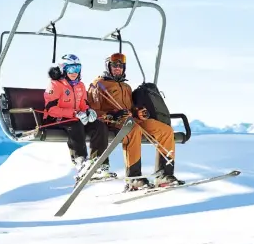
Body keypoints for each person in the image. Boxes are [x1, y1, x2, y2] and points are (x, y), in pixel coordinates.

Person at [87, 52, 184, 191]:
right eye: (114, 65)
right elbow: (93, 112)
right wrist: (112, 114)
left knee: (165, 130)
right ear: (108, 66)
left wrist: (138, 112)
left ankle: (164, 175)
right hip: (114, 121)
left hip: (130, 119)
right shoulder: (98, 85)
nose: (117, 68)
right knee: (133, 130)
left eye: (121, 66)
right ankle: (134, 178)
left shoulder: (126, 87)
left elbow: (130, 108)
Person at [43, 53, 111, 182]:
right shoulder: (55, 85)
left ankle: (99, 162)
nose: (75, 72)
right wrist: (74, 113)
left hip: (77, 118)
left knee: (99, 125)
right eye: (71, 69)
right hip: (56, 118)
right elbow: (50, 109)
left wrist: (88, 111)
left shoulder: (80, 85)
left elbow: (83, 104)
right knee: (75, 124)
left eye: (77, 68)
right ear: (63, 69)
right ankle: (80, 161)